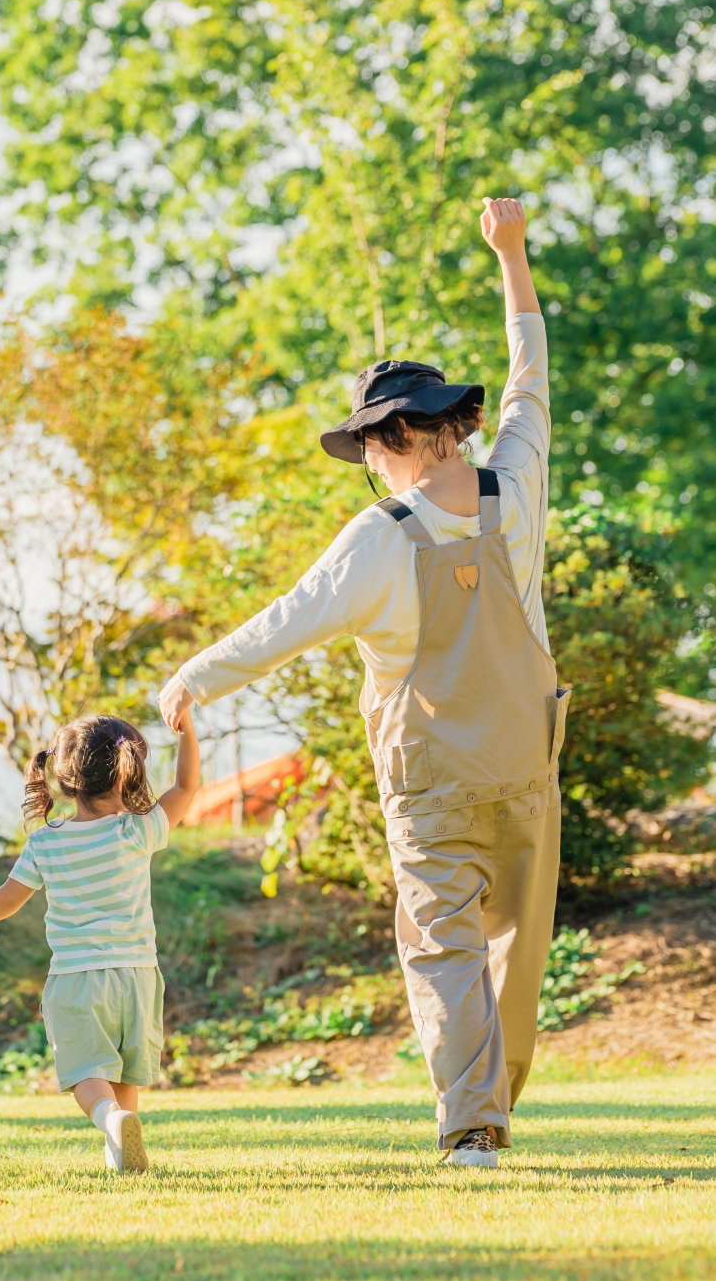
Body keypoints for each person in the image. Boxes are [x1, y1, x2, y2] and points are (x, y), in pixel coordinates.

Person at [159, 199, 559, 1168]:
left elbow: (284, 625)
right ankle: (491, 1105)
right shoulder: (519, 484)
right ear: (453, 429)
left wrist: (193, 679)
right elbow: (530, 379)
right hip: (524, 764)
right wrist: (511, 254)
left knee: (441, 946)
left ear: (388, 441)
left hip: (430, 781)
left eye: (367, 450)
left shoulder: (377, 538)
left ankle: (474, 1126)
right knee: (516, 953)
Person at [0, 708, 199, 1173]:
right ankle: (122, 1143)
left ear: (63, 778)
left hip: (77, 980)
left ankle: (110, 1120)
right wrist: (188, 730)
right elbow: (186, 788)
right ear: (126, 771)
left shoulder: (46, 842)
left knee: (86, 1076)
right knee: (125, 1071)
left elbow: (10, 898)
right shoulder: (135, 830)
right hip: (136, 975)